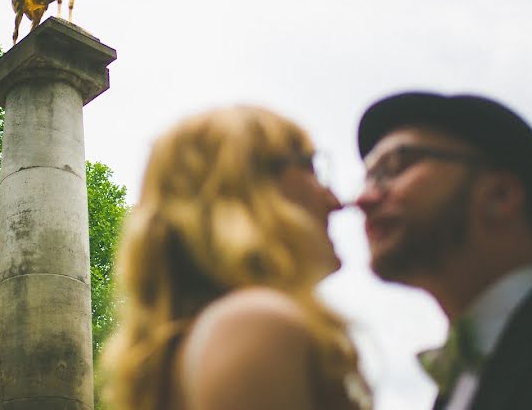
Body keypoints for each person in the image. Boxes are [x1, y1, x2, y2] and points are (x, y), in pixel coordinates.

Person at [100, 106, 371, 410]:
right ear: (246, 185)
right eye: (310, 167)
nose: (335, 201)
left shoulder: (197, 340)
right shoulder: (257, 321)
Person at [354, 91, 532, 410]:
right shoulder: (452, 392)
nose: (363, 200)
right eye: (369, 177)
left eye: (395, 167)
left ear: (500, 194)